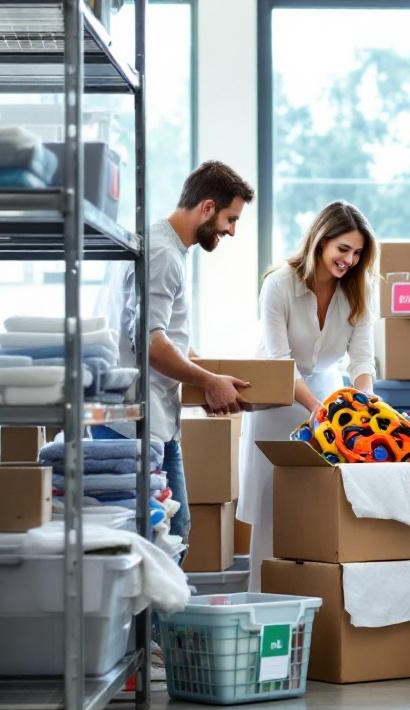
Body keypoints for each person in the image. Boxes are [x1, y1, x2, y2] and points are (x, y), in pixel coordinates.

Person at [95, 160, 255, 542]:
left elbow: (168, 338)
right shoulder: (163, 254)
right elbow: (150, 342)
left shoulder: (161, 245)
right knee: (166, 535)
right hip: (133, 421)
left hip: (147, 418)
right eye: (230, 219)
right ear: (207, 208)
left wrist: (211, 373)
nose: (231, 231)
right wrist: (208, 381)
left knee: (167, 532)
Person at [238, 201, 378, 591]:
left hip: (325, 396)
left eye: (357, 253)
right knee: (271, 508)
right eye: (342, 249)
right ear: (320, 240)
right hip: (274, 401)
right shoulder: (279, 284)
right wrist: (320, 410)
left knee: (315, 505)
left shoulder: (359, 290)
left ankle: (314, 600)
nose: (349, 260)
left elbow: (363, 360)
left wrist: (364, 406)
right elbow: (282, 361)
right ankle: (260, 602)